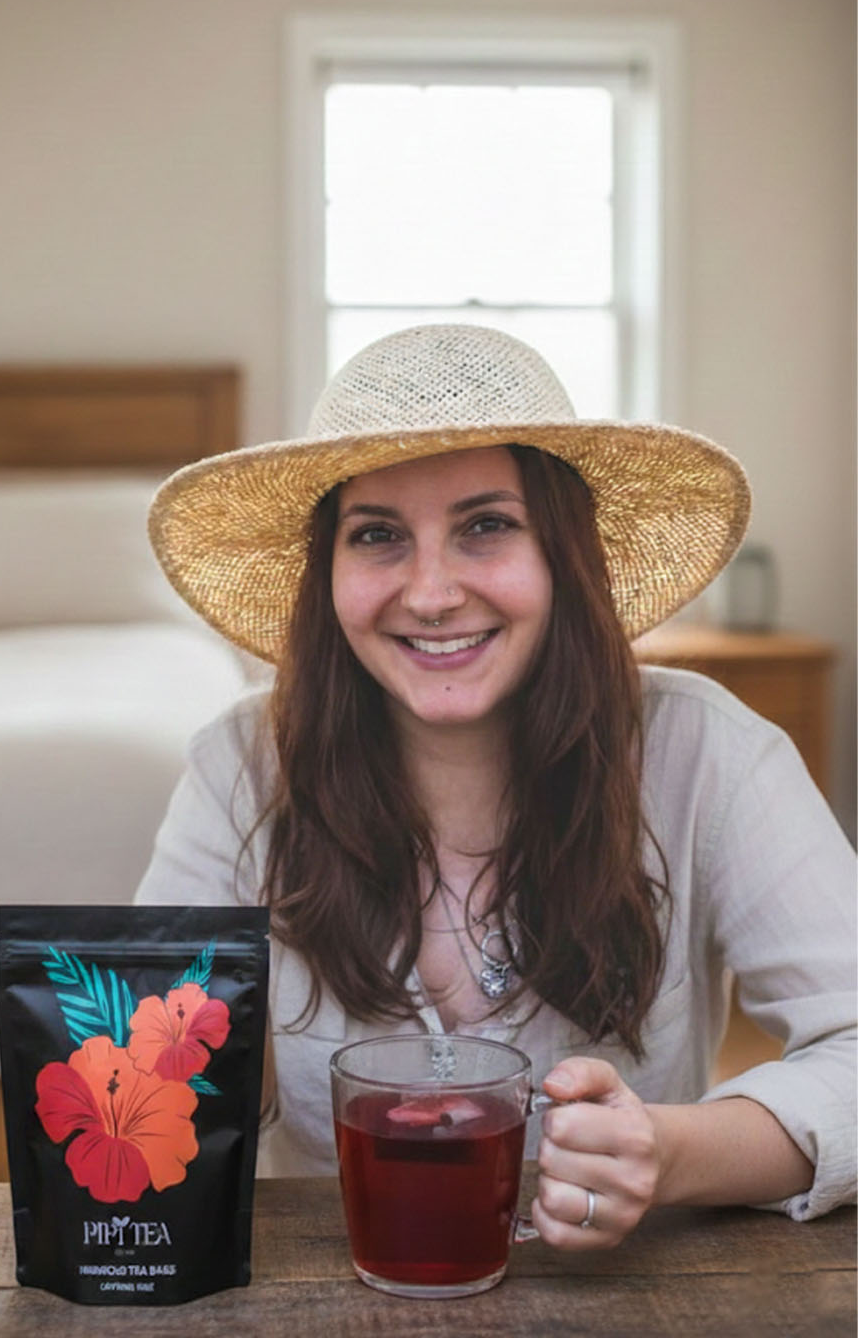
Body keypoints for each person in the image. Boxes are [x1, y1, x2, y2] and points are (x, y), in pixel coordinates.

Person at [136, 324, 856, 1249]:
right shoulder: (239, 767)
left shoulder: (710, 751)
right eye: (378, 535)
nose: (431, 593)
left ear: (565, 553)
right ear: (329, 576)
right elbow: (144, 1071)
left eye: (486, 526)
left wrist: (671, 1151)